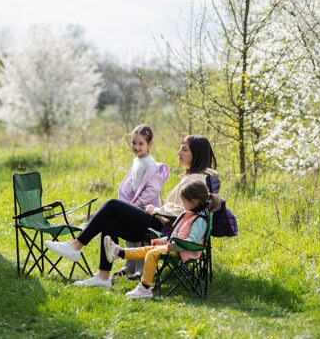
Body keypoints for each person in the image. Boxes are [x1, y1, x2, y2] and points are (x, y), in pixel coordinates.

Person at [45, 134, 220, 288]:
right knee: (110, 221)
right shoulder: (194, 176)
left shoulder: (197, 179)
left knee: (112, 204)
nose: (178, 153)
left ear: (196, 154)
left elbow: (185, 214)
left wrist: (154, 211)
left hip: (165, 228)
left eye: (184, 150)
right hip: (162, 222)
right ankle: (103, 277)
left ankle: (76, 246)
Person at [103, 179, 220, 299]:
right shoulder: (188, 216)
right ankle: (118, 252)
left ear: (194, 202)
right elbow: (176, 236)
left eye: (184, 202)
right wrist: (163, 241)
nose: (183, 205)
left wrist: (173, 246)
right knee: (147, 249)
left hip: (184, 251)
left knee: (152, 253)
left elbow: (192, 242)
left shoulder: (199, 221)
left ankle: (145, 288)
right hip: (175, 247)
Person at [113, 125, 169, 280]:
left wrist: (137, 203)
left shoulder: (150, 165)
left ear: (150, 144)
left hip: (147, 209)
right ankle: (130, 264)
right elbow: (133, 183)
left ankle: (141, 267)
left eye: (141, 144)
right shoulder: (137, 161)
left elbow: (151, 190)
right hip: (135, 204)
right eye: (134, 143)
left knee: (140, 236)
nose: (136, 147)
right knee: (130, 235)